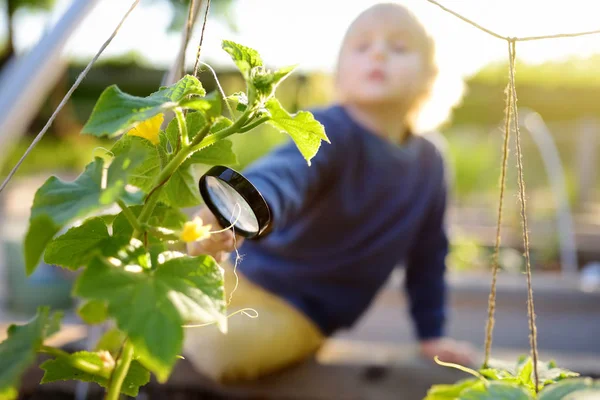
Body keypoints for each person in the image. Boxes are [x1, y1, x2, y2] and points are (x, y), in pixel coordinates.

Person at [184, 2, 475, 383]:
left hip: (300, 313)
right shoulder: (329, 128)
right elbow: (284, 176)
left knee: (219, 350)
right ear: (341, 73)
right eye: (362, 46)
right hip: (243, 271)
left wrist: (431, 334)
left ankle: (170, 330)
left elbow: (429, 255)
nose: (378, 53)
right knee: (162, 288)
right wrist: (237, 211)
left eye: (399, 47)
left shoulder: (431, 163)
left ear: (429, 77)